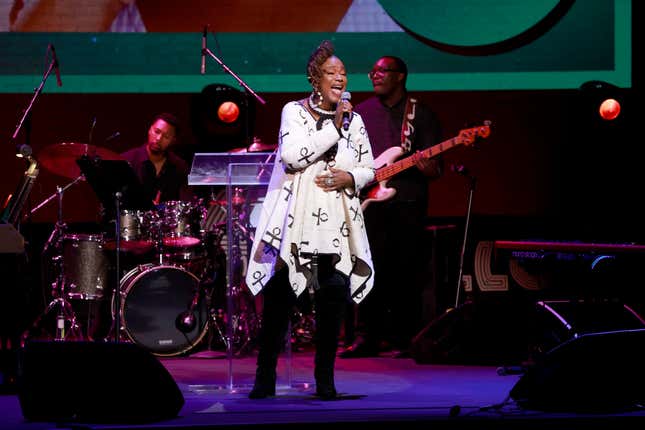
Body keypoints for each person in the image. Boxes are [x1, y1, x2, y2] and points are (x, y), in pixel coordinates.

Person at [244, 40, 375, 400]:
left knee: (333, 298)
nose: (340, 77)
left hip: (335, 221)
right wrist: (334, 125)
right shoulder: (294, 112)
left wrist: (351, 178)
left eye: (344, 72)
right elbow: (291, 157)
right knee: (280, 299)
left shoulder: (356, 120)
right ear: (314, 80)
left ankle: (325, 379)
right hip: (298, 222)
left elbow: (368, 168)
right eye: (332, 72)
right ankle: (264, 376)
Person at [340, 55, 443, 358]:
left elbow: (436, 170)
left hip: (408, 203)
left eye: (382, 71)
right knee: (366, 269)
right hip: (368, 205)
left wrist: (424, 166)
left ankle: (404, 338)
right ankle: (366, 336)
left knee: (406, 273)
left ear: (400, 76)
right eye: (372, 71)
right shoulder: (359, 113)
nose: (375, 75)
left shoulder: (420, 114)